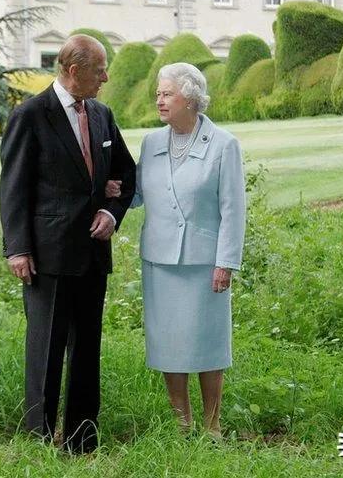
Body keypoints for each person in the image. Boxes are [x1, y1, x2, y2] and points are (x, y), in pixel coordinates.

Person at [0, 34, 136, 454]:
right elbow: (13, 188)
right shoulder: (30, 115)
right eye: (99, 70)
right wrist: (17, 248)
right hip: (47, 256)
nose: (106, 77)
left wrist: (111, 211)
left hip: (93, 255)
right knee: (46, 350)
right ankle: (38, 440)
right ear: (74, 71)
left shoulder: (101, 114)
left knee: (86, 350)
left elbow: (125, 176)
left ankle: (82, 440)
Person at [112, 62, 245, 438]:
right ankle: (181, 423)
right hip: (160, 260)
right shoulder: (152, 142)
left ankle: (212, 425)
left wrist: (226, 262)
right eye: (158, 93)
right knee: (169, 342)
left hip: (205, 263)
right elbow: (138, 194)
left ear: (190, 99)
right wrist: (114, 192)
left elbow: (233, 209)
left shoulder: (224, 144)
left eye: (167, 93)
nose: (160, 100)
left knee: (208, 343)